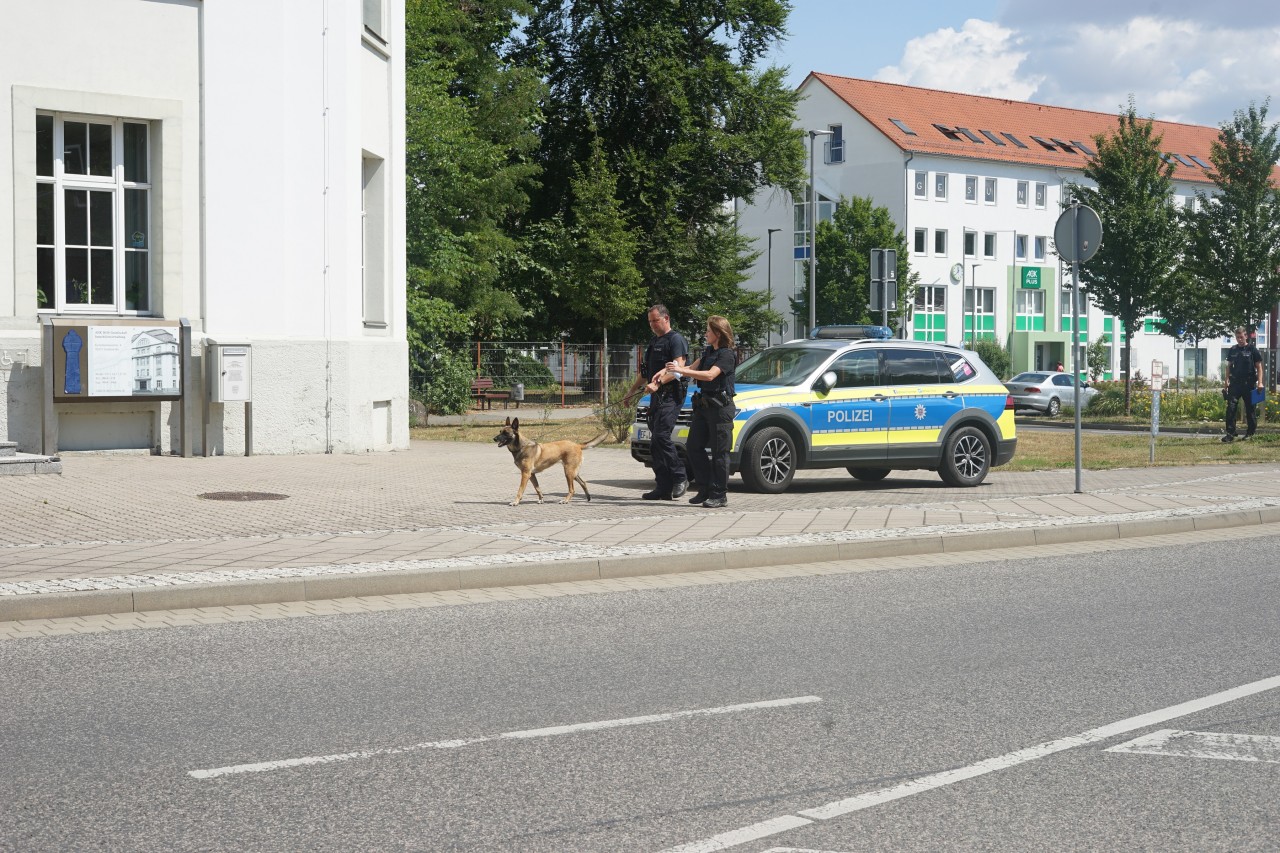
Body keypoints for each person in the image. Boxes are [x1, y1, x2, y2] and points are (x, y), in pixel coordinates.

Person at [670, 316, 737, 508]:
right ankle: (706, 488)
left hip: (720, 408)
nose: (705, 333)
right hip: (704, 407)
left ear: (718, 333)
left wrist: (683, 372)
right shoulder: (708, 352)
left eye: (708, 330)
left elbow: (709, 375)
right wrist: (669, 371)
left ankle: (719, 494)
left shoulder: (726, 355)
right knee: (693, 447)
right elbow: (689, 369)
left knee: (719, 453)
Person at [626, 304, 689, 499]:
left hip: (671, 395)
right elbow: (646, 374)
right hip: (656, 397)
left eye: (656, 320)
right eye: (650, 321)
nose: (652, 325)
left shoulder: (676, 339)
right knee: (655, 443)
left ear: (666, 318)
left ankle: (681, 477)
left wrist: (659, 382)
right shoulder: (654, 342)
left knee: (661, 436)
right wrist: (631, 392)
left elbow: (679, 367)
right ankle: (663, 487)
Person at [1222, 326, 1264, 443]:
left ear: (1246, 336)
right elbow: (1228, 366)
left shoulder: (1252, 349)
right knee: (1231, 408)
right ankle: (1230, 434)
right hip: (1235, 384)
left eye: (1241, 337)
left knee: (1250, 410)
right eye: (1237, 337)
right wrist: (1226, 381)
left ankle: (1250, 433)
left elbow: (1259, 367)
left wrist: (1260, 382)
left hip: (1249, 383)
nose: (1239, 339)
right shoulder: (1233, 349)